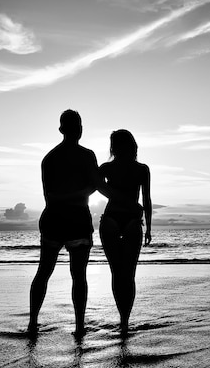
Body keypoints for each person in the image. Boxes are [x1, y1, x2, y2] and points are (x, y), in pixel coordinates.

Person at [28, 109, 116, 338]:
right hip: (73, 219)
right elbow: (95, 186)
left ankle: (36, 323)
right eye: (78, 125)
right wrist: (88, 192)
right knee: (75, 275)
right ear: (76, 129)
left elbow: (52, 197)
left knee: (47, 272)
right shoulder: (84, 156)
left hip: (55, 219)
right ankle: (77, 326)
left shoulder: (50, 158)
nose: (79, 129)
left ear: (62, 129)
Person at [99, 129, 152, 335]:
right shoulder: (142, 169)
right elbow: (146, 200)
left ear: (113, 147)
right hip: (132, 220)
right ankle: (124, 322)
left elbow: (93, 184)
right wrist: (148, 226)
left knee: (116, 272)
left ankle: (122, 319)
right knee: (129, 274)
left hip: (110, 218)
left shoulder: (106, 168)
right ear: (133, 145)